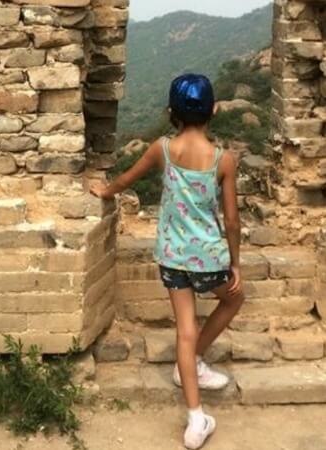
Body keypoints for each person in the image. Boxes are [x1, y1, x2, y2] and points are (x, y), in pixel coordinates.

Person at [90, 74, 245, 449]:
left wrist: (105, 190)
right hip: (209, 259)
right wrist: (235, 264)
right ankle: (191, 364)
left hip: (173, 258)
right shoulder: (224, 160)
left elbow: (127, 177)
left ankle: (195, 419)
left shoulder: (162, 149)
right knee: (234, 298)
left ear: (171, 112)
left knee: (184, 331)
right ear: (213, 110)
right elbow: (232, 219)